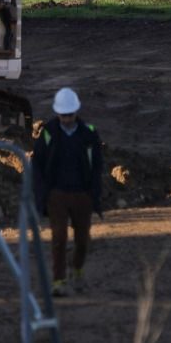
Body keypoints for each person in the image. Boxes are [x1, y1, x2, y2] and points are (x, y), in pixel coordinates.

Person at [30, 86, 104, 298]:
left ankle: (77, 270)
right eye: (63, 115)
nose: (66, 118)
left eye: (69, 114)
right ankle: (59, 280)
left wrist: (94, 195)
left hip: (82, 194)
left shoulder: (89, 133)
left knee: (82, 240)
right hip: (57, 195)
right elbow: (37, 164)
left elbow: (97, 166)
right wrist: (41, 194)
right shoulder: (48, 133)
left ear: (76, 112)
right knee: (59, 238)